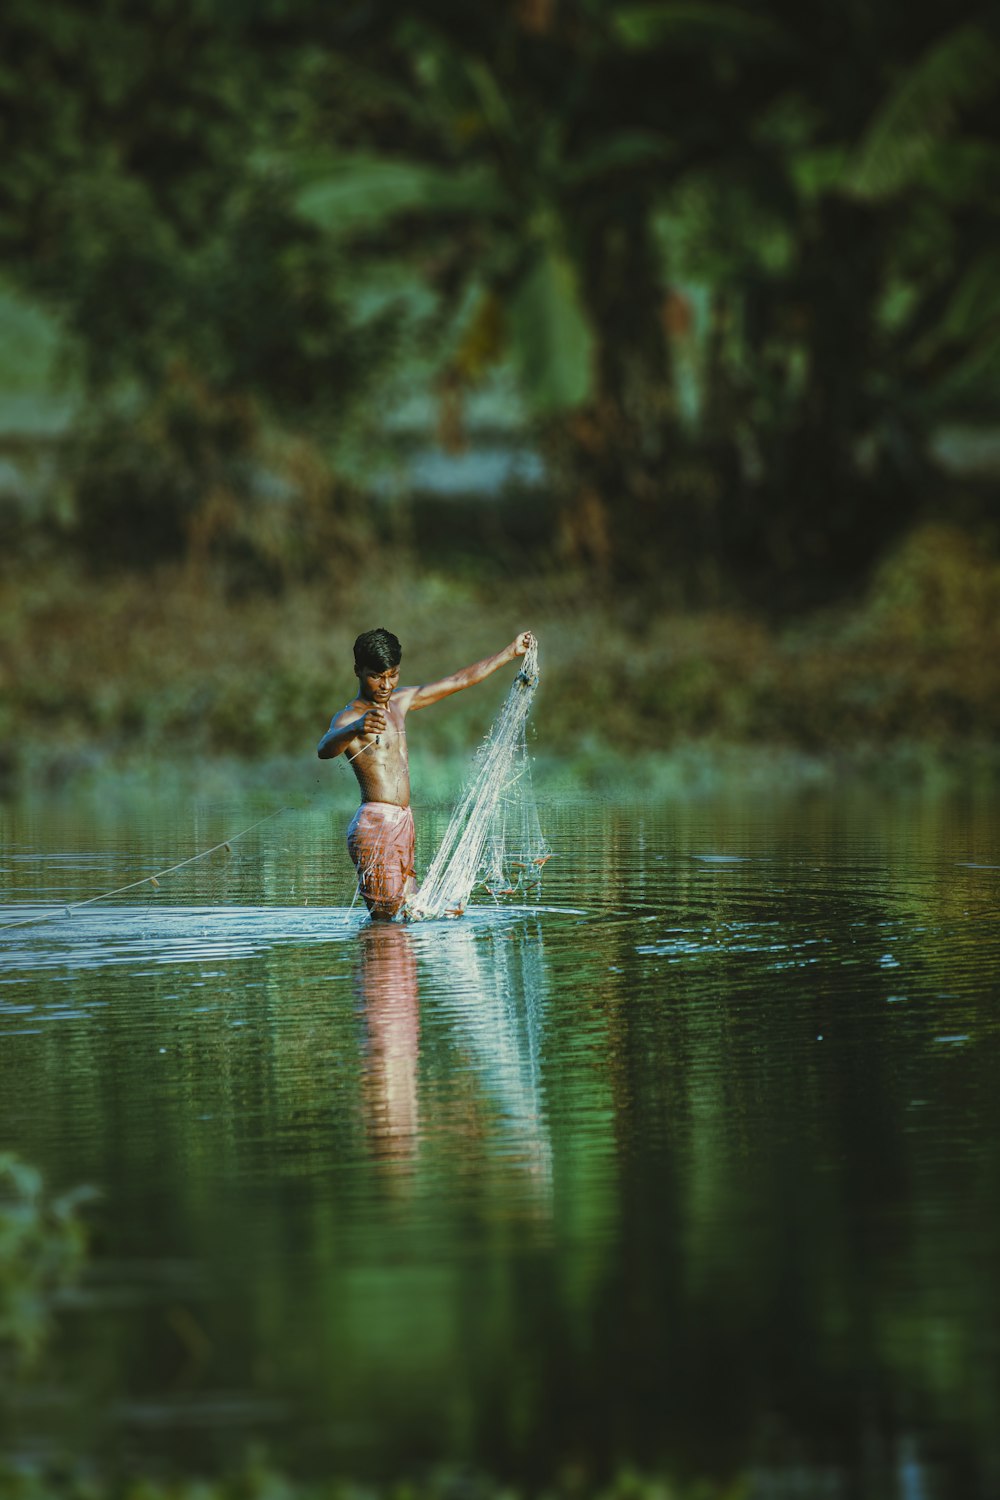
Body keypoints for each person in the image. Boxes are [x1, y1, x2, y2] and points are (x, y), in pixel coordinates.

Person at [318, 627, 534, 920]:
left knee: (409, 914)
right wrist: (355, 728)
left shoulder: (400, 702)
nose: (385, 684)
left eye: (392, 674)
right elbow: (325, 748)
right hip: (376, 826)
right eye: (376, 676)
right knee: (388, 921)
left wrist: (510, 652)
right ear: (358, 670)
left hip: (403, 822)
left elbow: (458, 680)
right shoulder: (351, 716)